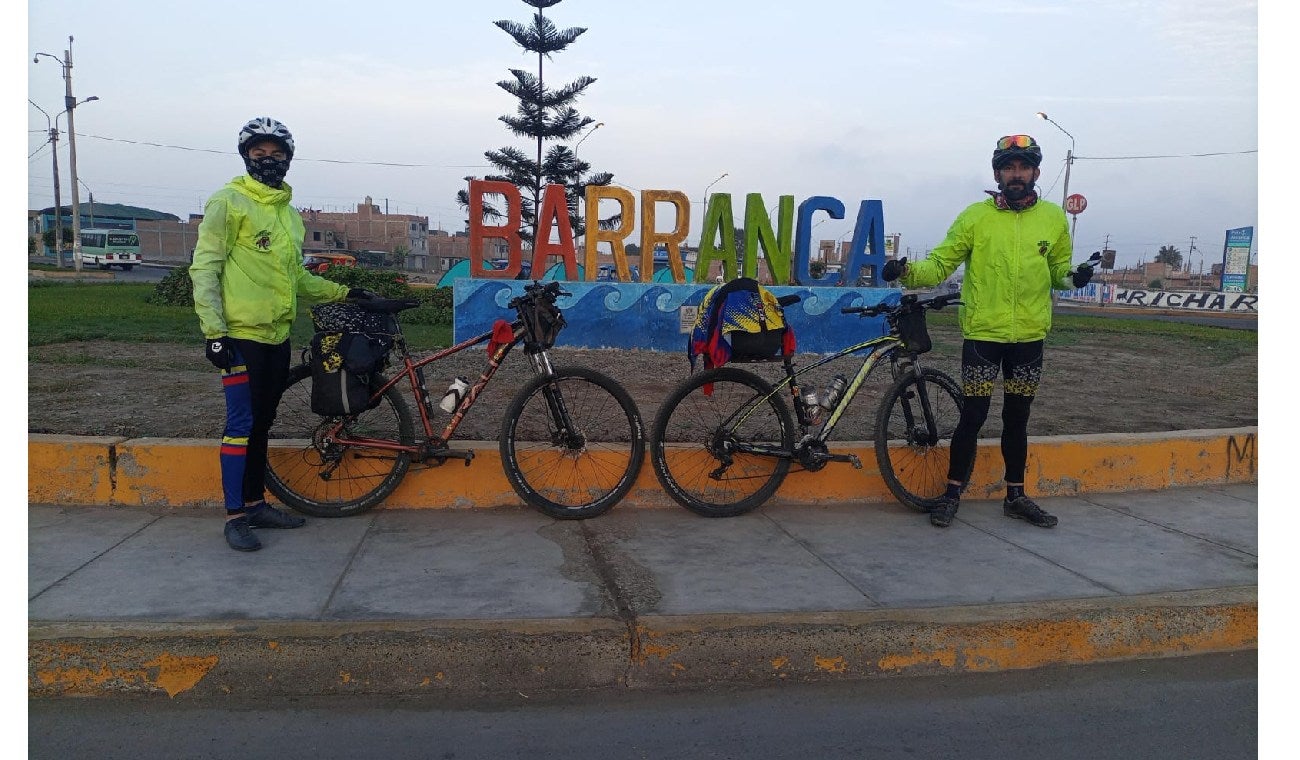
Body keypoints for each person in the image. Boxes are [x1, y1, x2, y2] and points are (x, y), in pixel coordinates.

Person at [881, 134, 1093, 529]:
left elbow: (1059, 272)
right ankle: (951, 494)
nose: (1017, 174)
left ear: (1036, 173)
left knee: (1018, 418)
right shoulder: (974, 217)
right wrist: (907, 271)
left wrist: (1074, 277)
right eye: (1009, 167)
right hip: (983, 336)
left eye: (1024, 167)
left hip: (1029, 337)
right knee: (973, 416)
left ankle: (1016, 496)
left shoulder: (1052, 218)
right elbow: (940, 264)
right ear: (997, 173)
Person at [191, 117, 373, 552]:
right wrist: (214, 332)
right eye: (259, 153)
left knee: (262, 424)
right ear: (245, 156)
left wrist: (347, 291)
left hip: (276, 337)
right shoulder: (228, 202)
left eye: (276, 154)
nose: (267, 160)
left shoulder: (289, 215)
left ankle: (255, 504)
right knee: (240, 426)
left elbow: (297, 279)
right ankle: (236, 517)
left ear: (288, 159)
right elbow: (205, 267)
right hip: (239, 337)